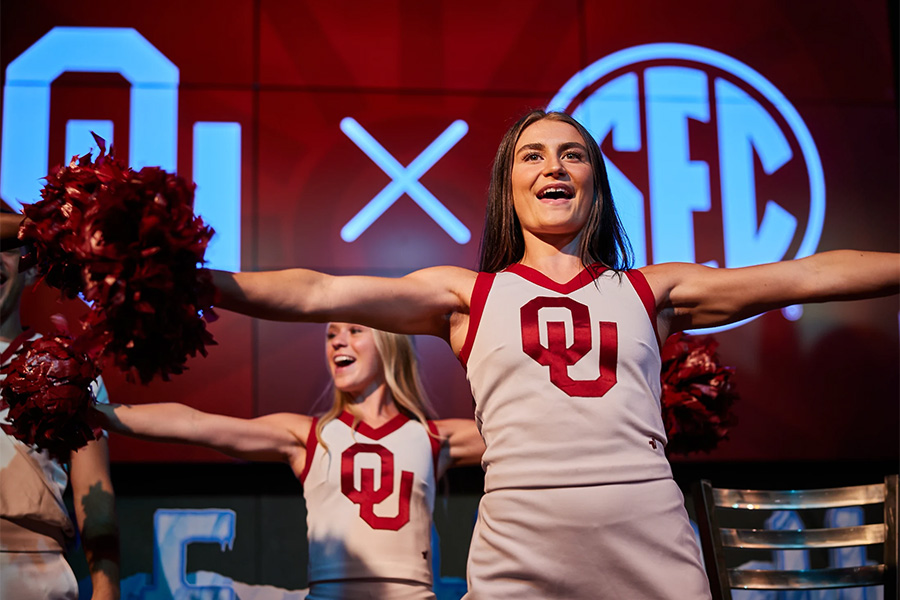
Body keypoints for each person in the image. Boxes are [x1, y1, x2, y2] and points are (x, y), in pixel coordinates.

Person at [201, 109, 899, 599]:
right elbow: (316, 290)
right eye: (532, 155)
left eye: (573, 154)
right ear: (509, 187)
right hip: (520, 545)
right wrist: (192, 280)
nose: (554, 166)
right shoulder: (463, 295)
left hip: (647, 534)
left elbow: (808, 274)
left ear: (595, 184)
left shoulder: (652, 290)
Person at [91, 322, 485, 600]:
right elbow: (195, 424)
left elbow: (527, 436)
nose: (337, 342)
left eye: (354, 330)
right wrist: (97, 412)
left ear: (390, 342)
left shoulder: (434, 437)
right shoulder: (308, 437)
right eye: (330, 334)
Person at [0, 213, 121, 600]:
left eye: (5, 248)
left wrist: (105, 591)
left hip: (34, 577)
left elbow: (96, 498)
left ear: (32, 268)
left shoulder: (68, 367)